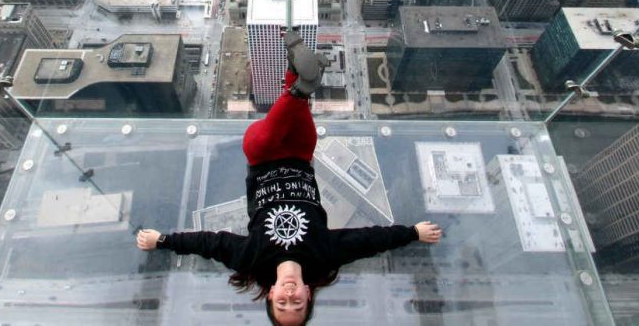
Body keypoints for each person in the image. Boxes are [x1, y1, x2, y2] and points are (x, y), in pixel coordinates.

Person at [137, 31, 442, 325]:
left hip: (263, 156)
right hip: (300, 153)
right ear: (309, 294)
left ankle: (301, 83)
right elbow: (370, 240)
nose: (290, 296)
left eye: (282, 303)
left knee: (261, 136)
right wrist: (413, 233)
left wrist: (162, 240)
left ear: (270, 294)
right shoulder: (324, 257)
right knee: (295, 113)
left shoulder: (251, 259)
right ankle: (296, 76)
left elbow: (208, 243)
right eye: (297, 304)